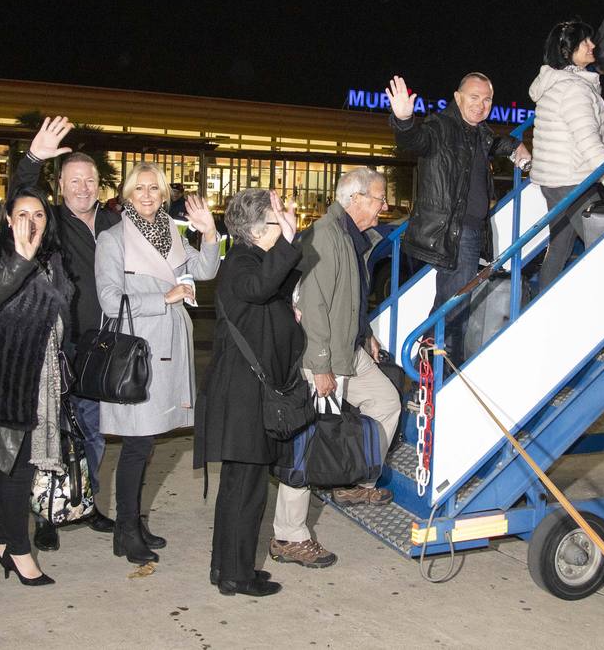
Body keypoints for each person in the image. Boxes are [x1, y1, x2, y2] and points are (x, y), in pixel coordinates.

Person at [269, 167, 402, 570]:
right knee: (308, 447)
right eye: (379, 198)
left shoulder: (350, 237)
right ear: (354, 199)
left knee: (387, 401)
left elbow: (347, 298)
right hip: (323, 355)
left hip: (349, 349)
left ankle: (354, 480)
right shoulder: (328, 235)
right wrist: (320, 365)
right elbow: (314, 305)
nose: (384, 205)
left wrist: (365, 332)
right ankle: (288, 536)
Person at [94, 161, 220, 564]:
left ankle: (133, 520)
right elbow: (110, 301)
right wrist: (162, 298)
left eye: (154, 189)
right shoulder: (113, 239)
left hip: (170, 348)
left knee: (147, 444)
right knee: (135, 445)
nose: (147, 196)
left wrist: (210, 232)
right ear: (127, 195)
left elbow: (205, 269)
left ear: (164, 194)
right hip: (138, 354)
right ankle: (125, 530)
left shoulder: (171, 232)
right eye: (139, 189)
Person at [10, 119, 120, 551]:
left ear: (99, 185)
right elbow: (19, 195)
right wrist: (34, 159)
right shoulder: (50, 221)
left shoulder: (114, 223)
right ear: (60, 186)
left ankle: (85, 502)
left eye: (89, 180)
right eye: (74, 181)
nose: (83, 188)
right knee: (51, 434)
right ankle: (47, 514)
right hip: (57, 348)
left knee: (92, 432)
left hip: (101, 349)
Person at [195, 189, 301, 597]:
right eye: (276, 221)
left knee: (239, 487)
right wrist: (287, 242)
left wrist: (286, 243)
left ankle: (225, 568)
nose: (284, 227)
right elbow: (259, 288)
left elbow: (275, 284)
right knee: (246, 490)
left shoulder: (252, 259)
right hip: (242, 395)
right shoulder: (242, 262)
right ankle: (236, 575)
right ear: (259, 230)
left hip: (245, 392)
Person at [385, 73, 531, 365]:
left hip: (472, 232)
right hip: (455, 232)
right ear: (458, 97)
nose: (481, 105)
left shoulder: (478, 133)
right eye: (474, 97)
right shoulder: (441, 127)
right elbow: (414, 140)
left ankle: (429, 368)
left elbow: (495, 143)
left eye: (487, 99)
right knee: (454, 308)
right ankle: (439, 371)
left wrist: (515, 147)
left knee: (452, 303)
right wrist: (402, 120)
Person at [0, 186, 70, 587]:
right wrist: (21, 262)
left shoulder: (52, 257)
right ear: (8, 220)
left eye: (40, 214)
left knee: (12, 462)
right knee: (18, 466)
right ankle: (17, 549)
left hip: (44, 375)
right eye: (22, 214)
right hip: (10, 377)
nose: (32, 221)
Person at [528, 21, 604, 291]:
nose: (592, 45)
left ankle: (542, 307)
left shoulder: (556, 84)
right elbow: (588, 141)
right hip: (572, 181)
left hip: (554, 181)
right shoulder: (574, 89)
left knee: (560, 246)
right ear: (566, 50)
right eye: (585, 42)